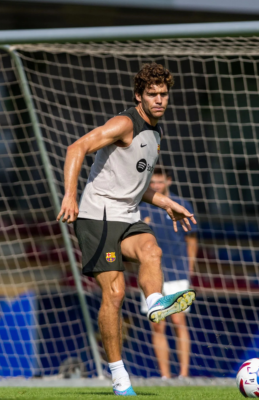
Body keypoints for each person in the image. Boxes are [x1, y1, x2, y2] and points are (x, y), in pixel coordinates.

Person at [57, 63, 197, 396]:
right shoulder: (124, 123)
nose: (159, 99)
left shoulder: (156, 132)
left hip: (128, 214)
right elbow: (75, 148)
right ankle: (119, 376)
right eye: (152, 94)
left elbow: (135, 186)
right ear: (139, 95)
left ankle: (153, 302)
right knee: (115, 294)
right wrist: (71, 195)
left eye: (164, 94)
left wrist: (164, 202)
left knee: (153, 250)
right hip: (97, 216)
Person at [139, 167, 197, 379]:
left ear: (168, 181)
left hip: (177, 272)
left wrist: (188, 269)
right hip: (150, 274)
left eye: (160, 182)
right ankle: (165, 376)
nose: (156, 186)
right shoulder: (140, 207)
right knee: (158, 325)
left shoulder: (181, 205)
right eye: (152, 182)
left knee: (179, 321)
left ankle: (183, 375)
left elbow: (191, 240)